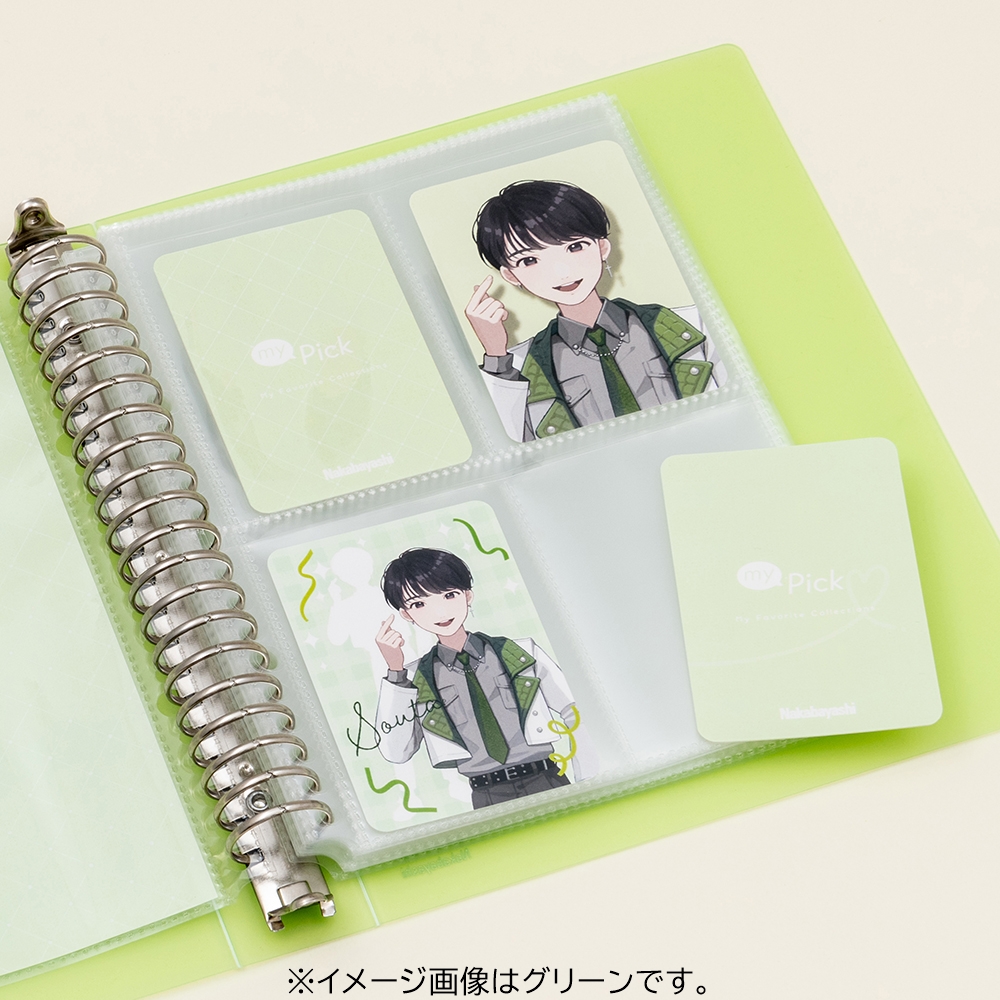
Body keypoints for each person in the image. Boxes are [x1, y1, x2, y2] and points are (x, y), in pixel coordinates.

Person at [465, 179, 723, 442]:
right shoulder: (522, 367)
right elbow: (507, 445)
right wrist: (495, 354)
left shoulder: (689, 325)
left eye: (574, 247)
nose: (562, 272)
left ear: (602, 247)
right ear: (511, 275)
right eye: (529, 260)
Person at [373, 547, 596, 809]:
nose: (439, 612)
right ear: (406, 614)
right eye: (419, 604)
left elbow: (575, 709)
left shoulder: (520, 652)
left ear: (468, 595)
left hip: (546, 778)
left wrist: (588, 779)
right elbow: (396, 752)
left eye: (449, 595)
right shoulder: (415, 677)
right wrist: (395, 671)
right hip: (487, 794)